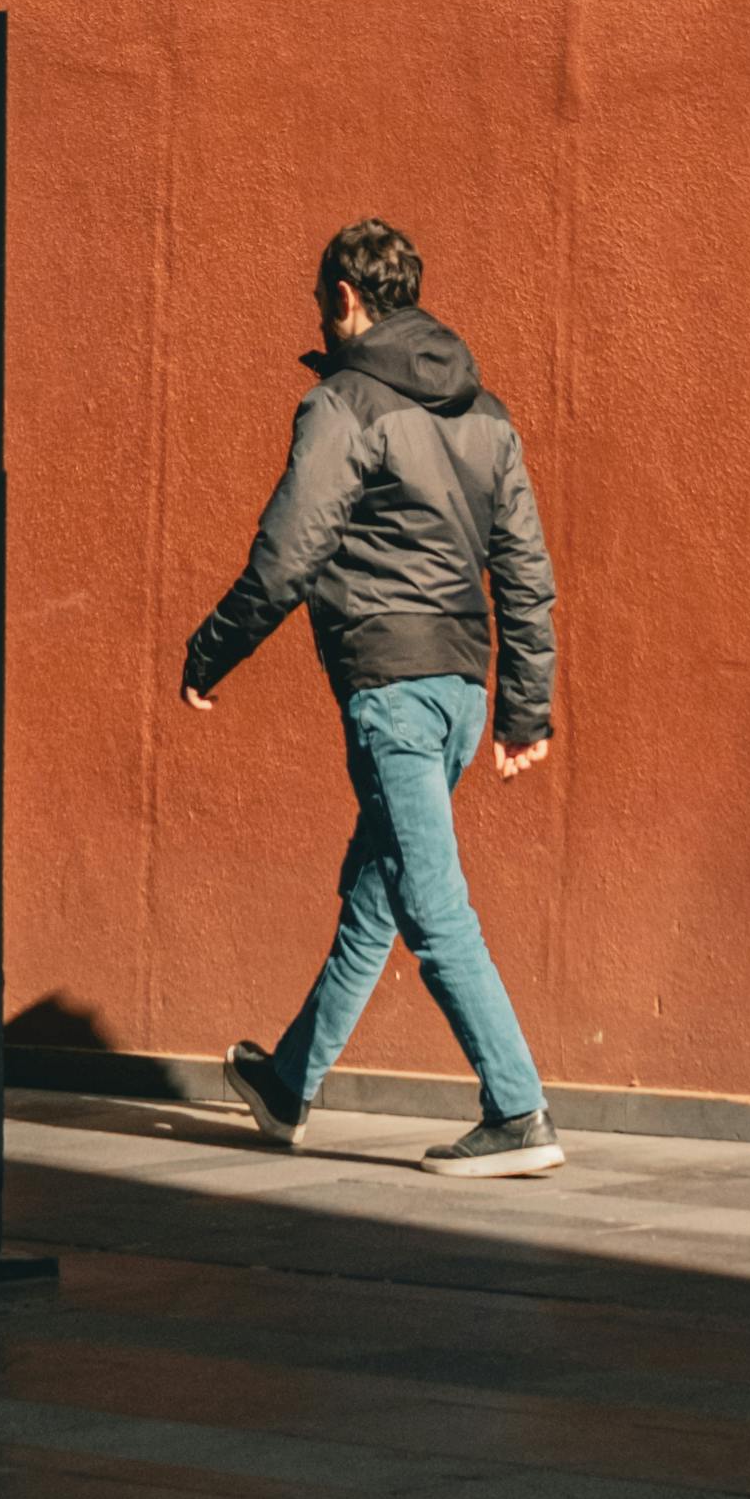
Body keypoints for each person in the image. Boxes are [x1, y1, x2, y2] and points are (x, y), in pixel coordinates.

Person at [180, 217, 562, 1173]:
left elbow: (287, 555)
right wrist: (522, 710)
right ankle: (287, 1084)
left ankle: (518, 1113)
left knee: (432, 904)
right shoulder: (489, 413)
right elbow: (524, 569)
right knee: (378, 892)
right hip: (462, 696)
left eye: (320, 302)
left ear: (345, 299)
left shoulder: (344, 406)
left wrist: (209, 653)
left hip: (391, 690)